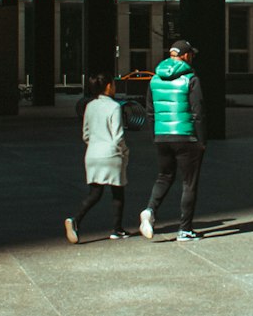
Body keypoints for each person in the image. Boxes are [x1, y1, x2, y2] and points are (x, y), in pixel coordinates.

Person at [139, 40, 206, 241]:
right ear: (185, 56)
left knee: (164, 176)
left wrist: (155, 135)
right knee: (189, 183)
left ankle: (150, 210)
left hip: (162, 136)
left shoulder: (154, 79)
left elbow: (149, 112)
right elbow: (198, 112)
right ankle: (185, 229)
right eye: (191, 54)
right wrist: (201, 140)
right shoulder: (191, 79)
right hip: (186, 136)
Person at [64, 73, 129, 244]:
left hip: (92, 153)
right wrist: (124, 150)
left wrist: (93, 144)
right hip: (111, 154)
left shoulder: (89, 106)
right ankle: (117, 229)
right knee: (118, 192)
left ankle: (76, 219)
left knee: (95, 193)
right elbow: (118, 135)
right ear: (108, 87)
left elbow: (85, 134)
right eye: (113, 85)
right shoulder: (114, 107)